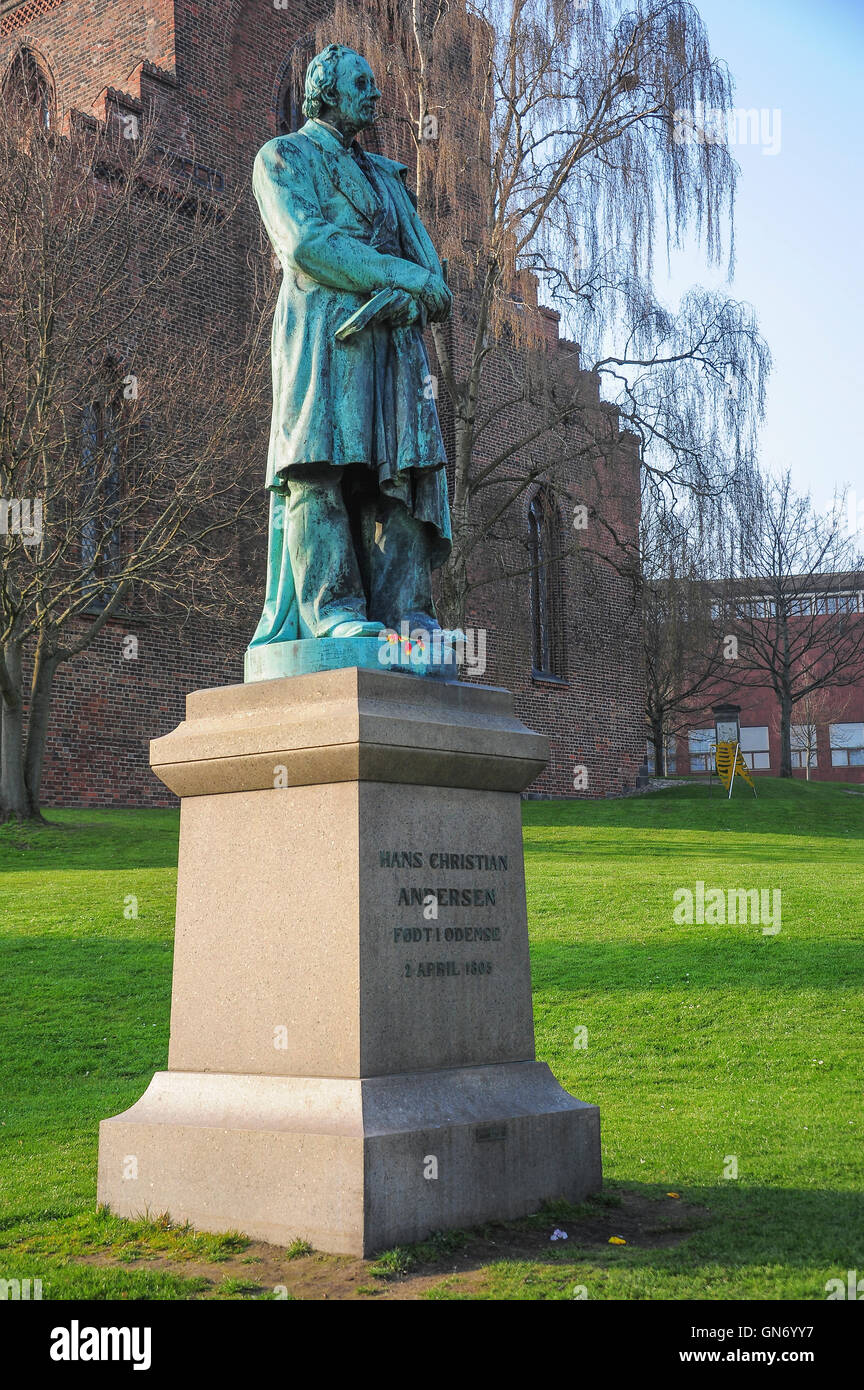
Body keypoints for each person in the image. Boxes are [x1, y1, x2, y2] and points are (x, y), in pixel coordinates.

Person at [248, 43, 454, 647]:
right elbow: (308, 246)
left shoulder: (388, 178)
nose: (376, 93)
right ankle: (328, 608)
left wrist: (417, 294)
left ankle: (405, 614)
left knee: (403, 478)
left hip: (394, 348)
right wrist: (405, 278)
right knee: (320, 468)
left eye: (374, 82)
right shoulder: (284, 157)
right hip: (324, 340)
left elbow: (434, 277)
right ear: (326, 91)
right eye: (361, 82)